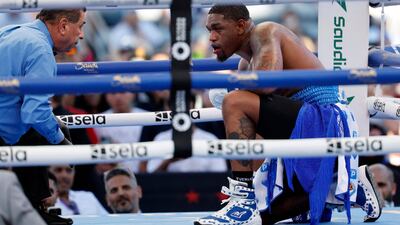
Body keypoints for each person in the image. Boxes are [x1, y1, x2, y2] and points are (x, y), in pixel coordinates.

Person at [196, 4, 382, 225]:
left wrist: (231, 91)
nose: (212, 38)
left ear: (241, 25)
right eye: (209, 31)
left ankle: (242, 200)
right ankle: (339, 186)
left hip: (325, 120)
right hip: (304, 130)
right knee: (264, 216)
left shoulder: (265, 32)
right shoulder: (246, 65)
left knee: (234, 102)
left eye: (217, 28)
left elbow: (267, 83)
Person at [0, 9, 86, 225]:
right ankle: (35, 213)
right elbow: (34, 113)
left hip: (6, 131)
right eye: (81, 26)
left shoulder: (10, 31)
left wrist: (53, 126)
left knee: (38, 132)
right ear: (64, 25)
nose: (82, 34)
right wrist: (61, 142)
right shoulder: (41, 49)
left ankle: (37, 207)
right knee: (42, 132)